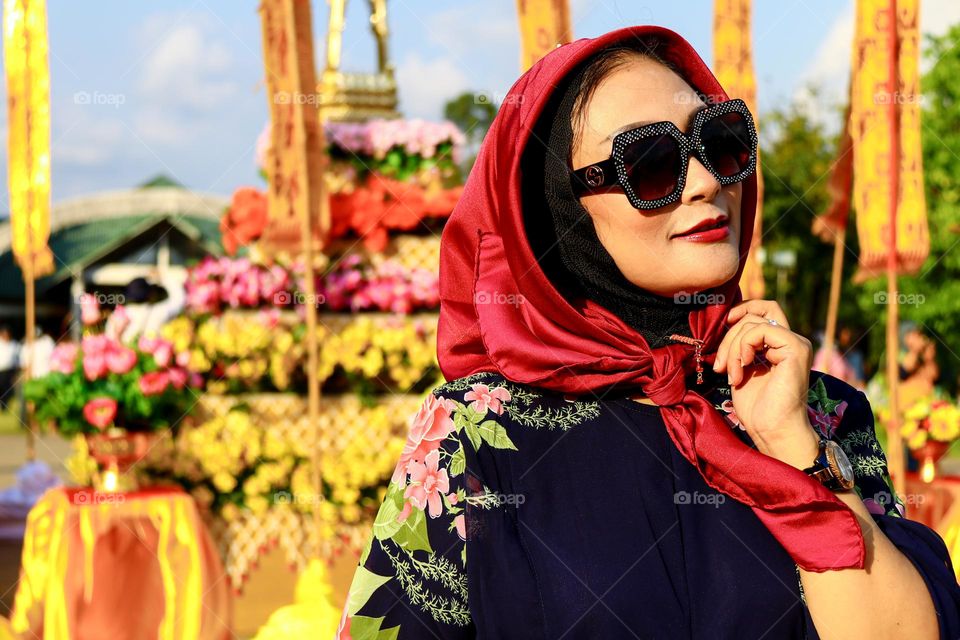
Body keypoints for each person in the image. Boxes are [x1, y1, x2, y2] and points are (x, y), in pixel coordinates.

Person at [338, 26, 959, 639]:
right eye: (652, 163)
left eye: (720, 142)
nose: (708, 181)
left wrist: (792, 447)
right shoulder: (479, 435)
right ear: (561, 208)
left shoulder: (819, 410)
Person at [105, 267, 187, 344]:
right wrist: (163, 278)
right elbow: (179, 299)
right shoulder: (159, 311)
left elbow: (109, 340)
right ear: (151, 294)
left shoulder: (118, 315)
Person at [0, 325, 19, 411]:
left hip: (9, 371)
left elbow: (17, 359)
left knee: (7, 390)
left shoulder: (14, 344)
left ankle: (5, 406)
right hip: (0, 370)